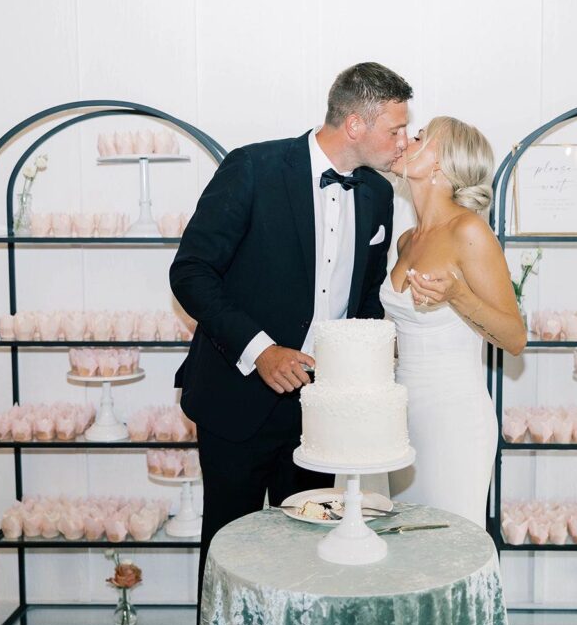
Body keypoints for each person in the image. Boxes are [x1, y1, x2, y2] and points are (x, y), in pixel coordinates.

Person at [170, 62, 412, 572]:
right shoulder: (253, 168)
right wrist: (261, 350)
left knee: (310, 558)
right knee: (228, 553)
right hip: (236, 401)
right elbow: (191, 272)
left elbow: (364, 297)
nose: (404, 142)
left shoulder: (379, 194)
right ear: (355, 125)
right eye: (396, 129)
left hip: (320, 414)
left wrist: (367, 360)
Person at [385, 116, 527, 529]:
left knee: (449, 548)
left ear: (440, 165)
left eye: (421, 137)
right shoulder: (406, 240)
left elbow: (515, 338)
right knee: (404, 552)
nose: (408, 139)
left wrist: (457, 295)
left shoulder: (469, 231)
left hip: (453, 418)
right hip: (401, 416)